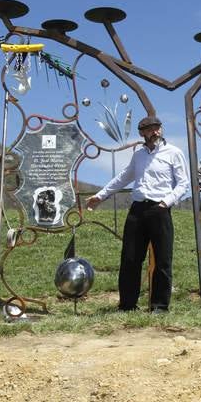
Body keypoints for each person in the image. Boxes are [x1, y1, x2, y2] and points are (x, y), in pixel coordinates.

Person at [85, 116, 190, 313]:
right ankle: (127, 305)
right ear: (142, 133)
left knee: (163, 259)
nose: (155, 132)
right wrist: (100, 196)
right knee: (130, 258)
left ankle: (159, 306)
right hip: (137, 210)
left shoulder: (174, 153)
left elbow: (183, 183)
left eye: (158, 128)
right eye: (150, 129)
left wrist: (165, 202)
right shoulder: (138, 156)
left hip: (160, 210)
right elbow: (123, 177)